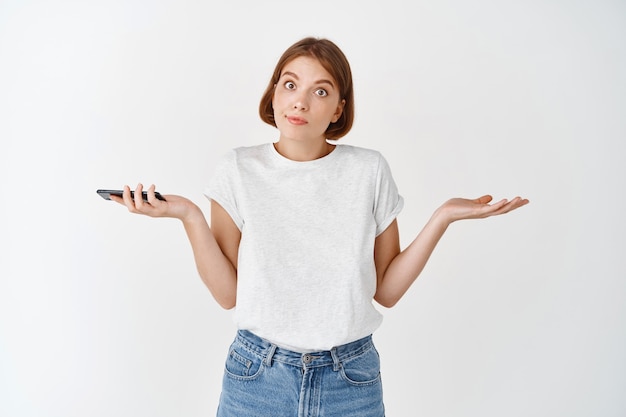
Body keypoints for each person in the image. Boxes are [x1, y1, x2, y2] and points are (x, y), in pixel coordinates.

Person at [110, 37, 529, 417]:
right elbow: (227, 294)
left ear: (339, 108)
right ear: (273, 92)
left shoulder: (369, 170)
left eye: (321, 91)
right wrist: (188, 215)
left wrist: (442, 218)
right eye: (290, 85)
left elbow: (386, 291)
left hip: (351, 380)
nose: (300, 102)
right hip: (256, 378)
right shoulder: (238, 168)